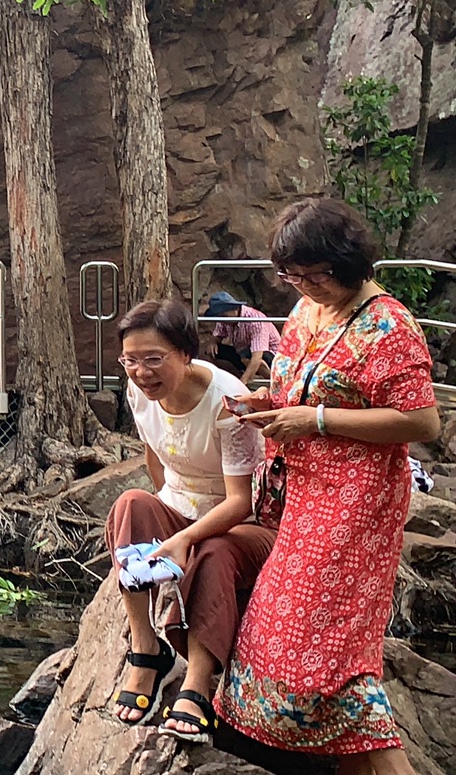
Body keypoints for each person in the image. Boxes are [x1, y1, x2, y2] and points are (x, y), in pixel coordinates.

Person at [220, 198, 444, 774]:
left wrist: (316, 422)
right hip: (301, 494)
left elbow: (422, 422)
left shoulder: (388, 326)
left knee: (324, 652)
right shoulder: (303, 312)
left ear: (345, 262)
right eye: (291, 275)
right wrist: (264, 404)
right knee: (279, 631)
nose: (301, 285)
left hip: (357, 504)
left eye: (313, 274)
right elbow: (301, 393)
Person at [104, 300, 273, 742]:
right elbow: (154, 456)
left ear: (185, 353)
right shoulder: (140, 391)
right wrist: (162, 515)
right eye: (131, 360)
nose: (141, 372)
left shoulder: (227, 402)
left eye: (154, 359)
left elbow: (240, 501)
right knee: (131, 505)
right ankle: (148, 650)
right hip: (181, 504)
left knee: (215, 549)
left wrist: (185, 539)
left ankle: (198, 681)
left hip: (245, 520)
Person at [205, 291, 281, 385]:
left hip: (270, 356)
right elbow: (217, 335)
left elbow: (257, 355)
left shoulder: (255, 320)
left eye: (224, 316)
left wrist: (242, 382)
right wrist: (213, 342)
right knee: (216, 351)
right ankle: (241, 374)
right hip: (242, 353)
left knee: (249, 356)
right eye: (218, 316)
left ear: (235, 308)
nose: (221, 319)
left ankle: (272, 380)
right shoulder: (225, 320)